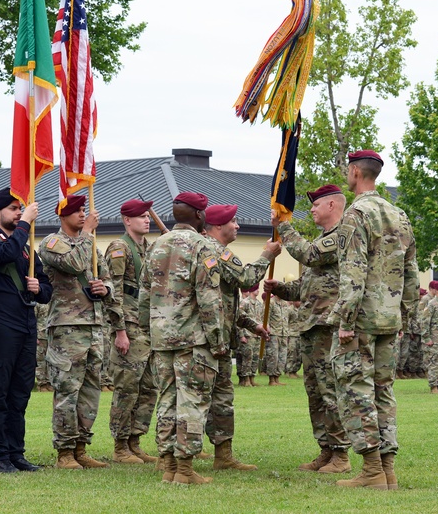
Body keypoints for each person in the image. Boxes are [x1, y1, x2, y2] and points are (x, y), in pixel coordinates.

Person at [329, 150, 419, 490]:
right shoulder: (399, 215)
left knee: (357, 391)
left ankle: (370, 471)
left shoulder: (356, 214)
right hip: (389, 318)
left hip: (362, 318)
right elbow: (411, 273)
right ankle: (387, 470)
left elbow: (353, 272)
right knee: (383, 391)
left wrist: (346, 320)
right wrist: (403, 314)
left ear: (355, 172)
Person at [138, 191, 225, 485]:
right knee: (192, 402)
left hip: (162, 338)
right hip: (192, 338)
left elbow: (143, 294)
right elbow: (209, 298)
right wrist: (218, 340)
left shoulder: (156, 246)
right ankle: (185, 470)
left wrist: (147, 329)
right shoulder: (203, 246)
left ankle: (168, 465)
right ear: (200, 216)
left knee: (166, 400)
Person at [265, 183, 352, 474]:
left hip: (328, 325)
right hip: (311, 325)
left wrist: (285, 226)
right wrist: (282, 289)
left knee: (329, 389)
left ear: (331, 206)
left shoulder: (341, 236)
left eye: (316, 204)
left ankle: (341, 454)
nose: (312, 209)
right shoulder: (323, 237)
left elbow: (309, 255)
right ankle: (326, 450)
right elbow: (307, 287)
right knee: (314, 392)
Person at [39, 194, 125, 470]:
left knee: (90, 390)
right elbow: (74, 264)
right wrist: (87, 232)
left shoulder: (91, 246)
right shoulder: (52, 243)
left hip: (94, 325)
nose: (82, 215)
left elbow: (107, 276)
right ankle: (64, 452)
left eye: (84, 211)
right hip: (67, 326)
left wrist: (105, 289)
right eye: (77, 211)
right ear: (63, 216)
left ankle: (81, 446)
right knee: (67, 389)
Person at [0, 187, 52, 473]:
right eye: (12, 209)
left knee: (20, 393)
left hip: (26, 323)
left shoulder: (25, 246)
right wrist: (25, 224)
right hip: (1, 324)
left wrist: (39, 288)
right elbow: (4, 254)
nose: (19, 213)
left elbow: (46, 288)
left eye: (20, 209)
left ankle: (16, 453)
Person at [203, 203, 277, 471]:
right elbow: (246, 279)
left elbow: (225, 300)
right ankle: (213, 455)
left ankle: (215, 454)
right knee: (216, 396)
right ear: (218, 226)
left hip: (216, 334)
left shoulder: (208, 250)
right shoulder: (216, 252)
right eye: (233, 222)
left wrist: (250, 324)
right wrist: (266, 255)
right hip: (212, 339)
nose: (237, 226)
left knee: (205, 396)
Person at [105, 198, 160, 465]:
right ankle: (120, 446)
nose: (146, 219)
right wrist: (119, 331)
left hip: (148, 327)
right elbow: (112, 291)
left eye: (148, 216)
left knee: (148, 387)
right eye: (141, 216)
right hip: (129, 326)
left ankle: (135, 440)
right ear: (127, 220)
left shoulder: (148, 248)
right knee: (127, 387)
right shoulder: (120, 248)